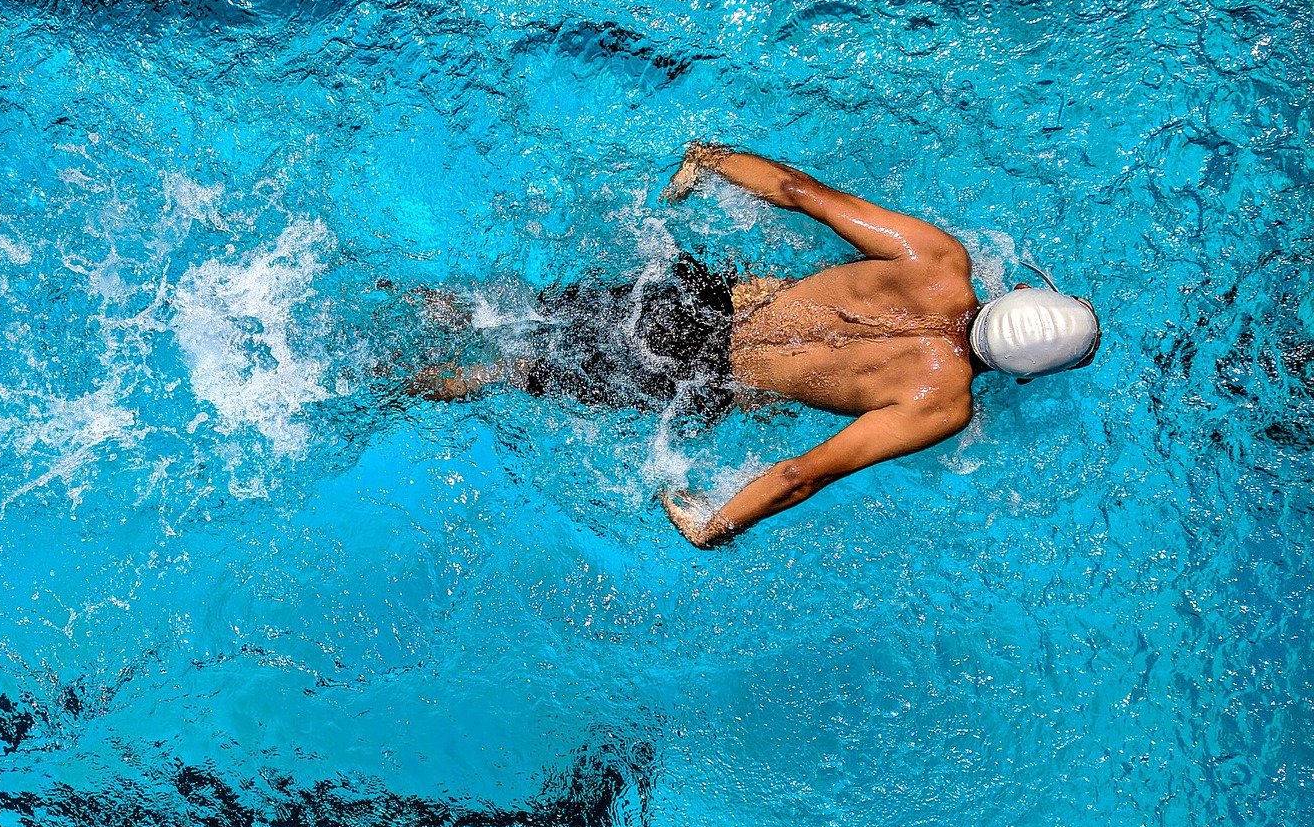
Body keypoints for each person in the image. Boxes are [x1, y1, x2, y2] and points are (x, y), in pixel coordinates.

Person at [407, 141, 1101, 547]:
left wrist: (710, 160)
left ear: (1016, 292)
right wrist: (716, 525)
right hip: (700, 377)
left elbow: (800, 191)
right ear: (1025, 375)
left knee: (506, 311)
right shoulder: (942, 403)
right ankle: (393, 384)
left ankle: (407, 301)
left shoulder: (938, 260)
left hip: (692, 300)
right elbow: (805, 472)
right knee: (513, 373)